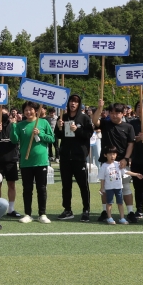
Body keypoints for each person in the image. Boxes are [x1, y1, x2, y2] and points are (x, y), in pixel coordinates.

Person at [9, 101, 55, 224]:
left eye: (30, 109)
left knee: (42, 188)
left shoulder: (44, 122)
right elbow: (14, 140)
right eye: (26, 110)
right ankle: (28, 214)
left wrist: (41, 133)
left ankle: (42, 214)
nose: (28, 112)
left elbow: (52, 139)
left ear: (35, 110)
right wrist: (13, 125)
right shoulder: (20, 125)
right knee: (27, 189)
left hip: (41, 162)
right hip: (26, 162)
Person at [92, 100, 137, 222]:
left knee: (126, 187)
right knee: (106, 188)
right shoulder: (105, 124)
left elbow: (130, 144)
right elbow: (94, 121)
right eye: (111, 112)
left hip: (122, 162)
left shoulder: (128, 127)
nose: (113, 115)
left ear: (123, 113)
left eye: (117, 113)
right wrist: (99, 108)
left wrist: (126, 159)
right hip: (106, 162)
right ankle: (105, 212)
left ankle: (130, 212)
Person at [54, 94, 94, 222]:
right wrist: (59, 127)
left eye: (76, 102)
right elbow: (58, 135)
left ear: (79, 104)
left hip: (79, 157)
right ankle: (67, 210)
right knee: (66, 185)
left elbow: (89, 134)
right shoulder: (63, 117)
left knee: (83, 185)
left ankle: (86, 210)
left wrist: (77, 130)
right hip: (65, 157)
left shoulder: (84, 118)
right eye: (71, 101)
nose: (73, 104)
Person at [98, 146, 142, 225]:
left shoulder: (118, 164)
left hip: (118, 187)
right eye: (110, 154)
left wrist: (136, 174)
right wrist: (102, 188)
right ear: (105, 155)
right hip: (109, 188)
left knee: (120, 203)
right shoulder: (104, 166)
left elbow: (125, 172)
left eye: (114, 154)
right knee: (109, 203)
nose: (112, 156)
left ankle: (122, 218)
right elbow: (102, 178)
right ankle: (109, 217)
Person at [0, 107, 21, 218]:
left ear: (8, 114)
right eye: (0, 113)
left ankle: (11, 209)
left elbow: (15, 140)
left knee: (11, 184)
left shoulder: (14, 125)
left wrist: (14, 124)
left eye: (4, 113)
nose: (2, 115)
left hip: (11, 159)